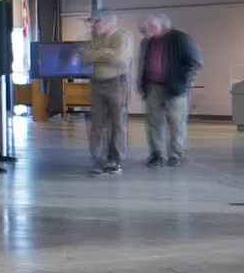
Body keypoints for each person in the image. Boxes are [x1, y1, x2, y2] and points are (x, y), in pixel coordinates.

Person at [138, 14, 202, 166]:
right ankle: (158, 154)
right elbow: (143, 63)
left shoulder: (181, 38)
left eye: (151, 26)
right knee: (154, 122)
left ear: (162, 25)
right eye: (145, 27)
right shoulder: (146, 42)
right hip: (153, 86)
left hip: (176, 87)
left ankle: (176, 154)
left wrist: (186, 82)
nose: (148, 30)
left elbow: (196, 62)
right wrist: (142, 84)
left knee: (176, 122)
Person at [77, 12, 134, 176]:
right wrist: (106, 52)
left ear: (109, 22)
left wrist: (98, 54)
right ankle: (97, 160)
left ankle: (115, 161)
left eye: (98, 21)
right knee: (97, 125)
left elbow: (120, 59)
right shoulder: (97, 38)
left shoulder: (122, 37)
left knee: (118, 124)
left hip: (117, 85)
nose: (94, 25)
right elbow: (85, 58)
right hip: (97, 85)